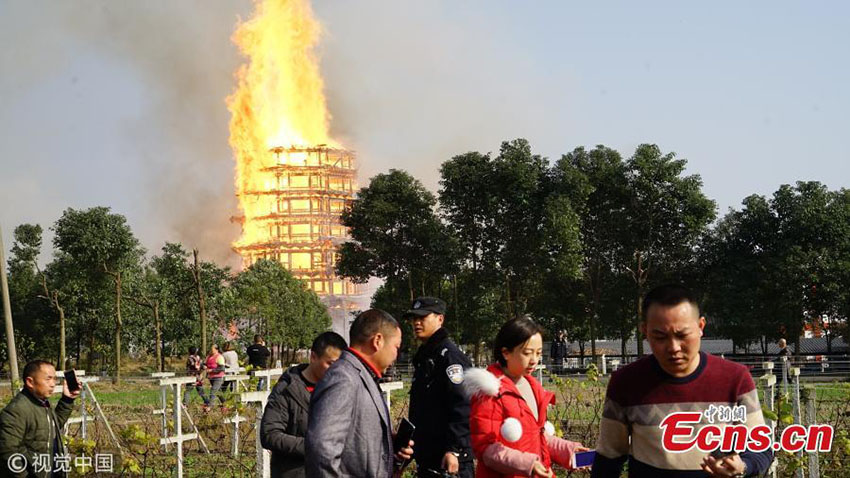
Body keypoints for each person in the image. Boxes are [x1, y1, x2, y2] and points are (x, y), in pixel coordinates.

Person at [591, 284, 774, 478]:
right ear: (645, 331)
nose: (673, 347)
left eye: (682, 335)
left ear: (701, 327)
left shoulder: (735, 379)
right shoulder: (626, 382)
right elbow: (608, 458)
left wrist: (743, 467)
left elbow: (761, 450)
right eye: (660, 337)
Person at [465, 317, 587, 478]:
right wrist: (528, 464)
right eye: (527, 353)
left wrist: (568, 450)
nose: (534, 360)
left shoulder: (534, 386)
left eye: (538, 353)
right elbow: (486, 449)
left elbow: (537, 436)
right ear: (506, 352)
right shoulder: (490, 392)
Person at [305, 309, 414, 478]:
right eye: (396, 347)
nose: (396, 355)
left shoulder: (362, 375)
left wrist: (386, 444)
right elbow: (322, 450)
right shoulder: (343, 378)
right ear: (378, 340)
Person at [404, 296, 474, 478]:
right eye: (414, 319)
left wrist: (454, 449)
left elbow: (463, 405)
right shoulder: (427, 357)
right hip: (429, 457)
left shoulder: (449, 357)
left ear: (440, 319)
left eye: (423, 317)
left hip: (449, 461)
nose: (416, 323)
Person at [261, 331, 347, 478]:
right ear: (313, 357)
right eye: (330, 364)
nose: (336, 371)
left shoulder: (341, 390)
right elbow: (270, 434)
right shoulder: (287, 390)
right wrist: (313, 446)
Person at [0, 360, 80, 478]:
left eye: (54, 379)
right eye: (48, 379)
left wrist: (67, 400)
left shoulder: (42, 402)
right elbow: (7, 452)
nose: (53, 384)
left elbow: (53, 425)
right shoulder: (17, 410)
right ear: (30, 382)